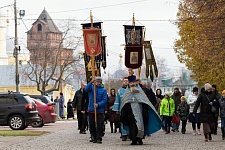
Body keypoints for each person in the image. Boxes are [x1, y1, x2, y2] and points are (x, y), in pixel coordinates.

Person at [120, 75, 162, 145]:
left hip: (140, 111)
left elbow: (145, 101)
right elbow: (124, 102)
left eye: (133, 82)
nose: (132, 84)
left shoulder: (141, 91)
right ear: (129, 83)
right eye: (131, 83)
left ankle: (140, 139)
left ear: (136, 82)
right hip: (130, 112)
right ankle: (133, 139)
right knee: (132, 125)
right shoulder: (126, 92)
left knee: (140, 125)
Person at [84, 76, 107, 144]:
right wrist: (91, 82)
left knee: (100, 124)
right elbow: (86, 89)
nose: (98, 83)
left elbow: (104, 100)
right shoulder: (92, 88)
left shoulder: (103, 90)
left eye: (99, 82)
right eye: (97, 81)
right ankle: (93, 137)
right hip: (91, 109)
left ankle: (99, 137)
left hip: (99, 110)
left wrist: (98, 104)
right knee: (91, 124)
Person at [112, 77, 129, 141]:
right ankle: (124, 134)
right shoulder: (120, 91)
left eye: (127, 81)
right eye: (124, 81)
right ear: (123, 82)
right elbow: (117, 100)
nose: (126, 82)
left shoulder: (131, 89)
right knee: (122, 121)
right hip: (122, 108)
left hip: (130, 109)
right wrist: (117, 109)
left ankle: (130, 134)